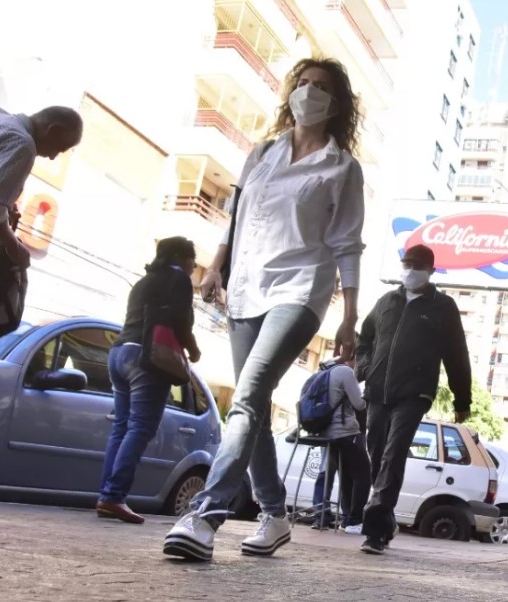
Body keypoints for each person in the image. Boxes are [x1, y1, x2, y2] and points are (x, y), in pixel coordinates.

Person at [164, 57, 366, 562]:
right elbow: (237, 216)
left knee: (249, 394)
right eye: (303, 83)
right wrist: (216, 267)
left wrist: (349, 316)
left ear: (336, 103)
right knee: (251, 407)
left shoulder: (342, 168)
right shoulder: (263, 153)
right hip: (246, 288)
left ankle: (206, 516)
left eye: (321, 87)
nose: (309, 92)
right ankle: (274, 515)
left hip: (300, 291)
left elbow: (346, 244)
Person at [354, 243, 472, 555]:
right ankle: (386, 518)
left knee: (393, 456)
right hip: (377, 392)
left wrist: (462, 400)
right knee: (376, 455)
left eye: (417, 266)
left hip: (414, 394)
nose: (411, 271)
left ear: (431, 271)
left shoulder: (443, 307)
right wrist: (364, 368)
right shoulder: (386, 301)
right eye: (407, 265)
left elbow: (457, 355)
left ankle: (374, 532)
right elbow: (364, 339)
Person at [0, 106, 82, 350]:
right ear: (52, 130)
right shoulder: (21, 143)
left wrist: (3, 208)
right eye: (59, 147)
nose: (53, 157)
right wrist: (14, 248)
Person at [98, 237, 199, 524]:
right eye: (192, 260)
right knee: (140, 428)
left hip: (119, 353)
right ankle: (113, 496)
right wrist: (192, 349)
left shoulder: (144, 281)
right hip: (146, 357)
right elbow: (180, 321)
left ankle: (107, 496)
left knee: (121, 427)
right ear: (181, 257)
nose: (194, 267)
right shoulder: (178, 279)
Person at [309, 359, 370, 533]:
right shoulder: (345, 371)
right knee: (364, 475)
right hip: (345, 432)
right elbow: (359, 404)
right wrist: (367, 395)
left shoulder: (321, 371)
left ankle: (343, 520)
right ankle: (354, 521)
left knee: (346, 476)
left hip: (326, 434)